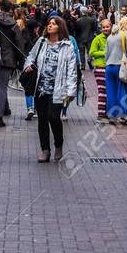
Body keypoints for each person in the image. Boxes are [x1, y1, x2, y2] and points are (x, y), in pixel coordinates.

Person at [22, 16, 78, 162]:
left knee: (54, 117)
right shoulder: (41, 42)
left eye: (54, 24)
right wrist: (27, 66)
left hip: (57, 90)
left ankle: (58, 145)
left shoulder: (67, 46)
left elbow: (71, 70)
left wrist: (71, 91)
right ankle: (45, 150)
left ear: (60, 27)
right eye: (49, 24)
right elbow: (30, 56)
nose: (50, 26)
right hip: (40, 89)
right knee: (42, 120)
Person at [0, 0, 21, 127]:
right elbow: (19, 45)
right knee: (3, 87)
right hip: (8, 59)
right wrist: (21, 61)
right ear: (10, 9)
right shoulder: (14, 24)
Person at [104, 17, 127, 124]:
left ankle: (112, 115)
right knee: (122, 90)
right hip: (120, 66)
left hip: (109, 67)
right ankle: (122, 115)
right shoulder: (126, 34)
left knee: (111, 91)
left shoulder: (111, 36)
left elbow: (106, 54)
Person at [89, 19, 111, 122]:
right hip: (100, 67)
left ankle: (106, 113)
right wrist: (104, 53)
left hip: (109, 67)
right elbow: (92, 52)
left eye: (107, 27)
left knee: (109, 91)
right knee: (102, 90)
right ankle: (101, 114)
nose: (106, 29)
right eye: (104, 27)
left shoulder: (112, 38)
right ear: (100, 28)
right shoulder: (97, 39)